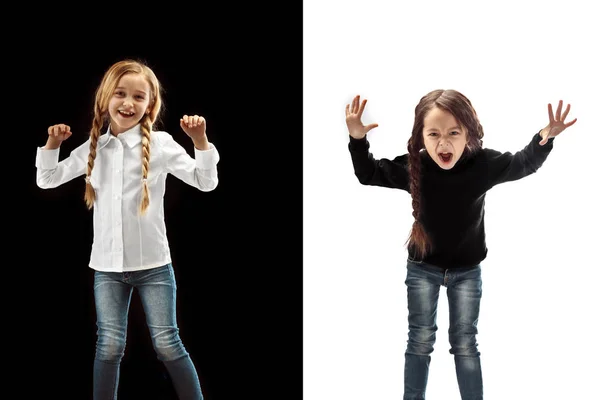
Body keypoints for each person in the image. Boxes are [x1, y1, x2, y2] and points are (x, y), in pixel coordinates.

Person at [345, 90, 576, 400]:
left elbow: (523, 163)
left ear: (468, 132)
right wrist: (357, 140)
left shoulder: (482, 164)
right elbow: (369, 173)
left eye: (454, 133)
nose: (444, 142)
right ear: (421, 137)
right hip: (422, 269)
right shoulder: (415, 166)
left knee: (465, 342)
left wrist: (544, 138)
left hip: (467, 271)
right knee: (420, 341)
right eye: (434, 134)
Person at [35, 59, 219, 400]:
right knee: (108, 346)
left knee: (167, 343)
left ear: (150, 105)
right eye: (120, 93)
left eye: (138, 96)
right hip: (106, 268)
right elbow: (47, 179)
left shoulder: (161, 145)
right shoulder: (94, 148)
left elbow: (205, 182)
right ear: (106, 98)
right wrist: (51, 145)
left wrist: (200, 141)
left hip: (154, 267)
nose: (128, 103)